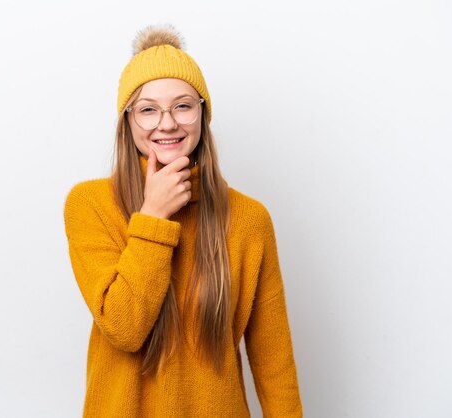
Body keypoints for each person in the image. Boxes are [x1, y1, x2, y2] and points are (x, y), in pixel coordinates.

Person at [64, 24, 302, 417]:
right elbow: (124, 327)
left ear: (202, 115)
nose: (168, 123)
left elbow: (275, 363)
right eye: (147, 110)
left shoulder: (249, 219)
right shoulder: (89, 205)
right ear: (127, 122)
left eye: (183, 106)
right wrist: (154, 216)